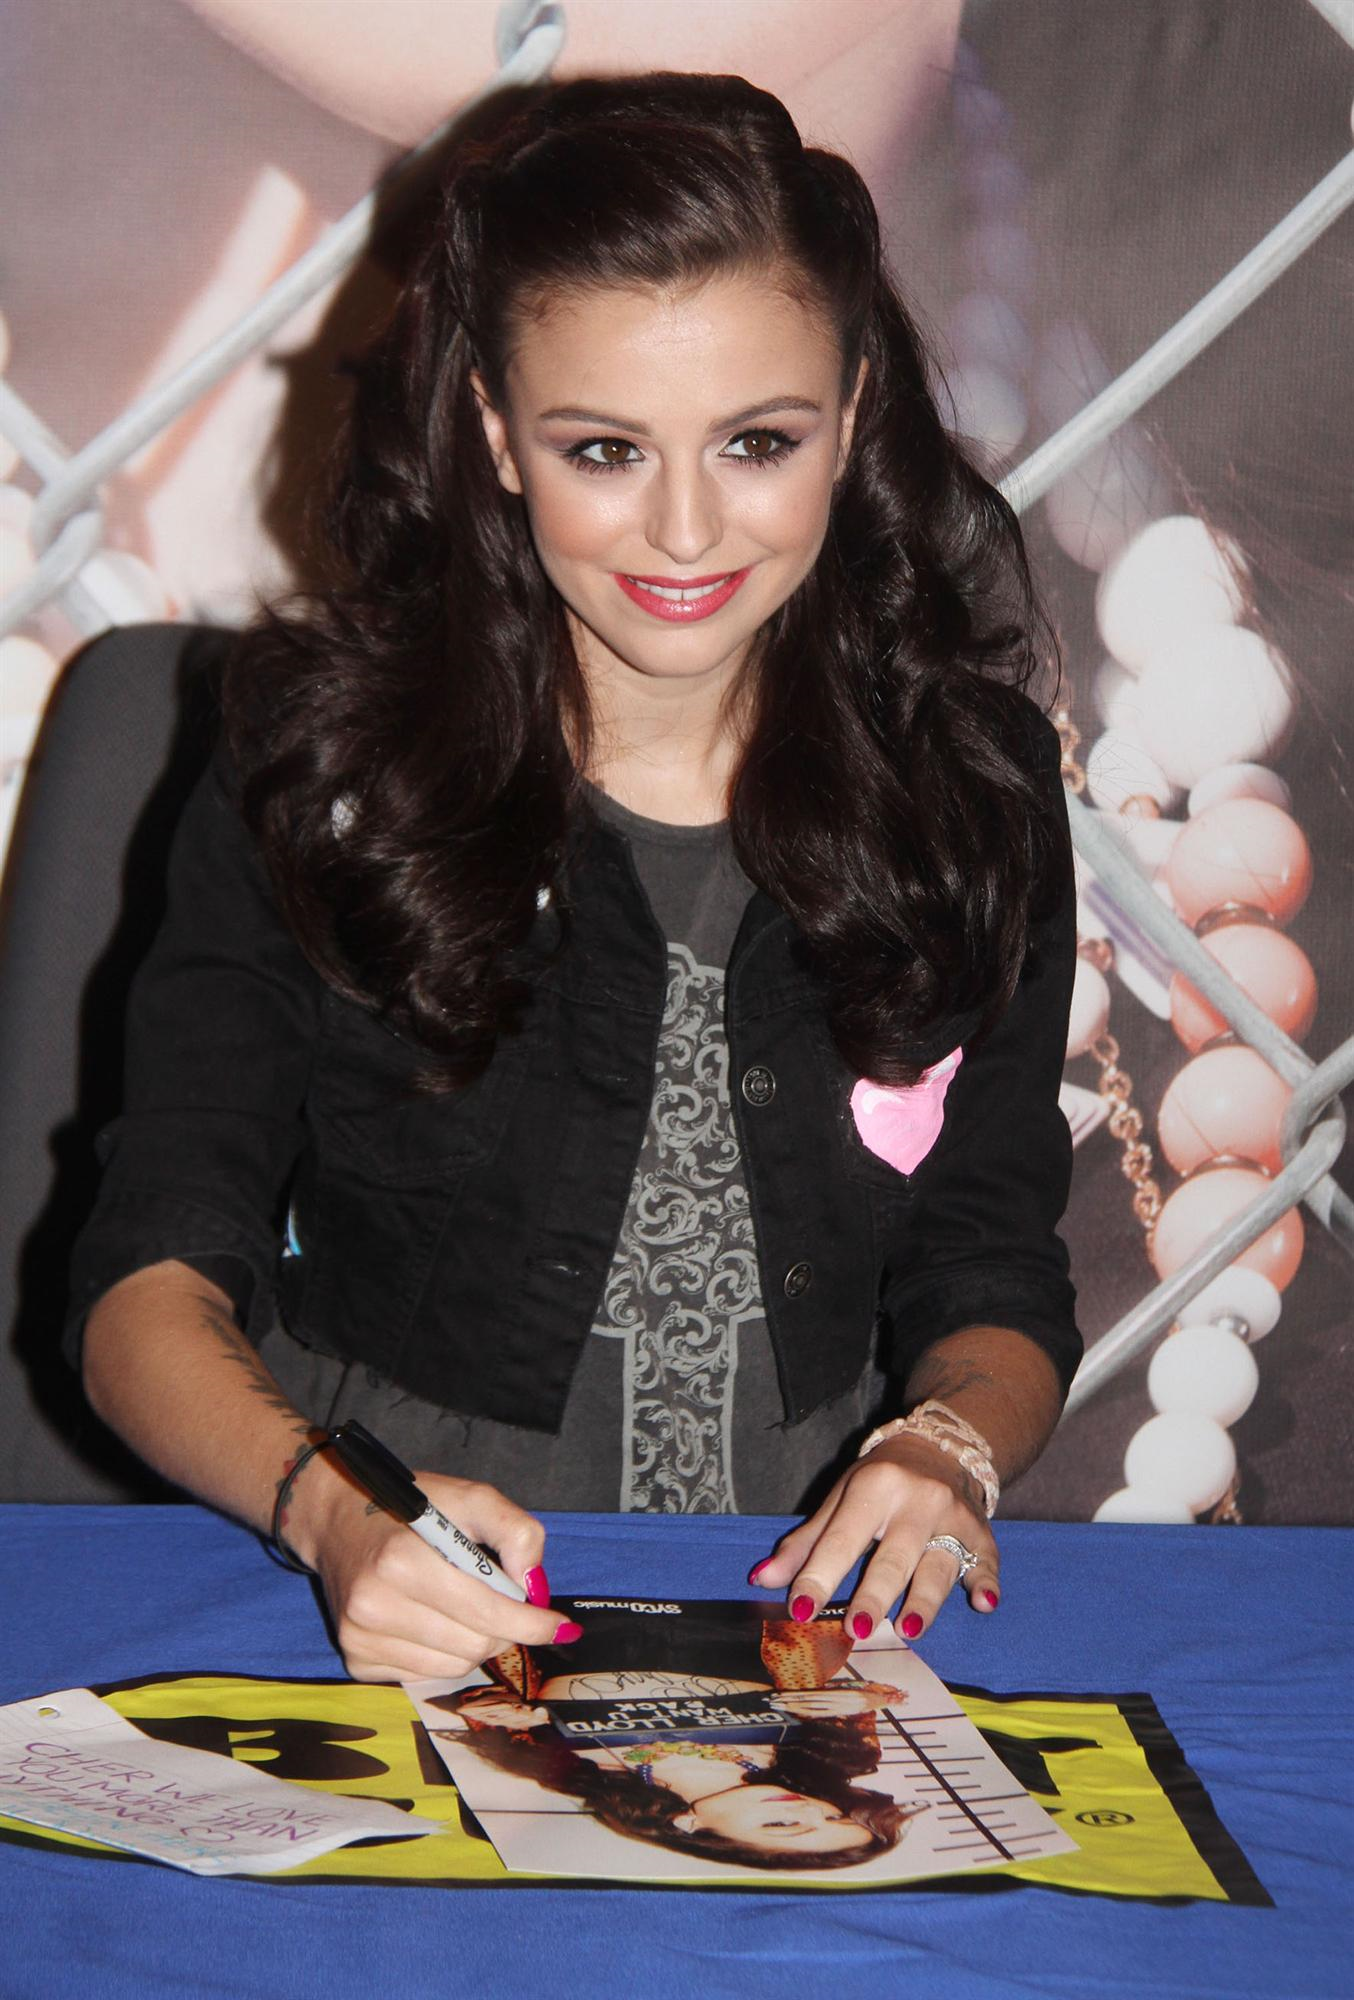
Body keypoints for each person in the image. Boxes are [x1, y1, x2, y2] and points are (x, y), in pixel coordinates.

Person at [68, 72, 1080, 1685]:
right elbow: (147, 1279)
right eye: (603, 447)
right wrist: (329, 1517)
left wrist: (946, 1445)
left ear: (856, 406)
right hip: (370, 1594)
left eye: (759, 440)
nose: (685, 529)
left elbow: (993, 1262)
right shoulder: (323, 774)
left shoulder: (973, 788)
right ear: (491, 432)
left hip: (806, 1623)